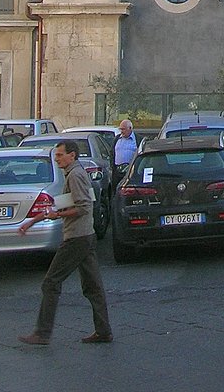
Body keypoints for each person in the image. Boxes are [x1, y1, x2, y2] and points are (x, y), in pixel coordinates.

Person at [17, 140, 113, 345]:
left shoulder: (76, 175)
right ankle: (103, 331)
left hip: (76, 238)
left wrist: (56, 216)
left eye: (60, 155)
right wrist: (32, 222)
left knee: (51, 283)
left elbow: (83, 207)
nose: (57, 158)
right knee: (93, 286)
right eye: (56, 155)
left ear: (72, 155)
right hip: (85, 236)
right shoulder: (75, 173)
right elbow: (72, 205)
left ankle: (42, 333)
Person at [112, 118, 137, 185]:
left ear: (130, 128)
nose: (121, 131)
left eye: (123, 129)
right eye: (120, 129)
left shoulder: (137, 139)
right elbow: (112, 153)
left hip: (131, 172)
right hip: (117, 172)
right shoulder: (117, 139)